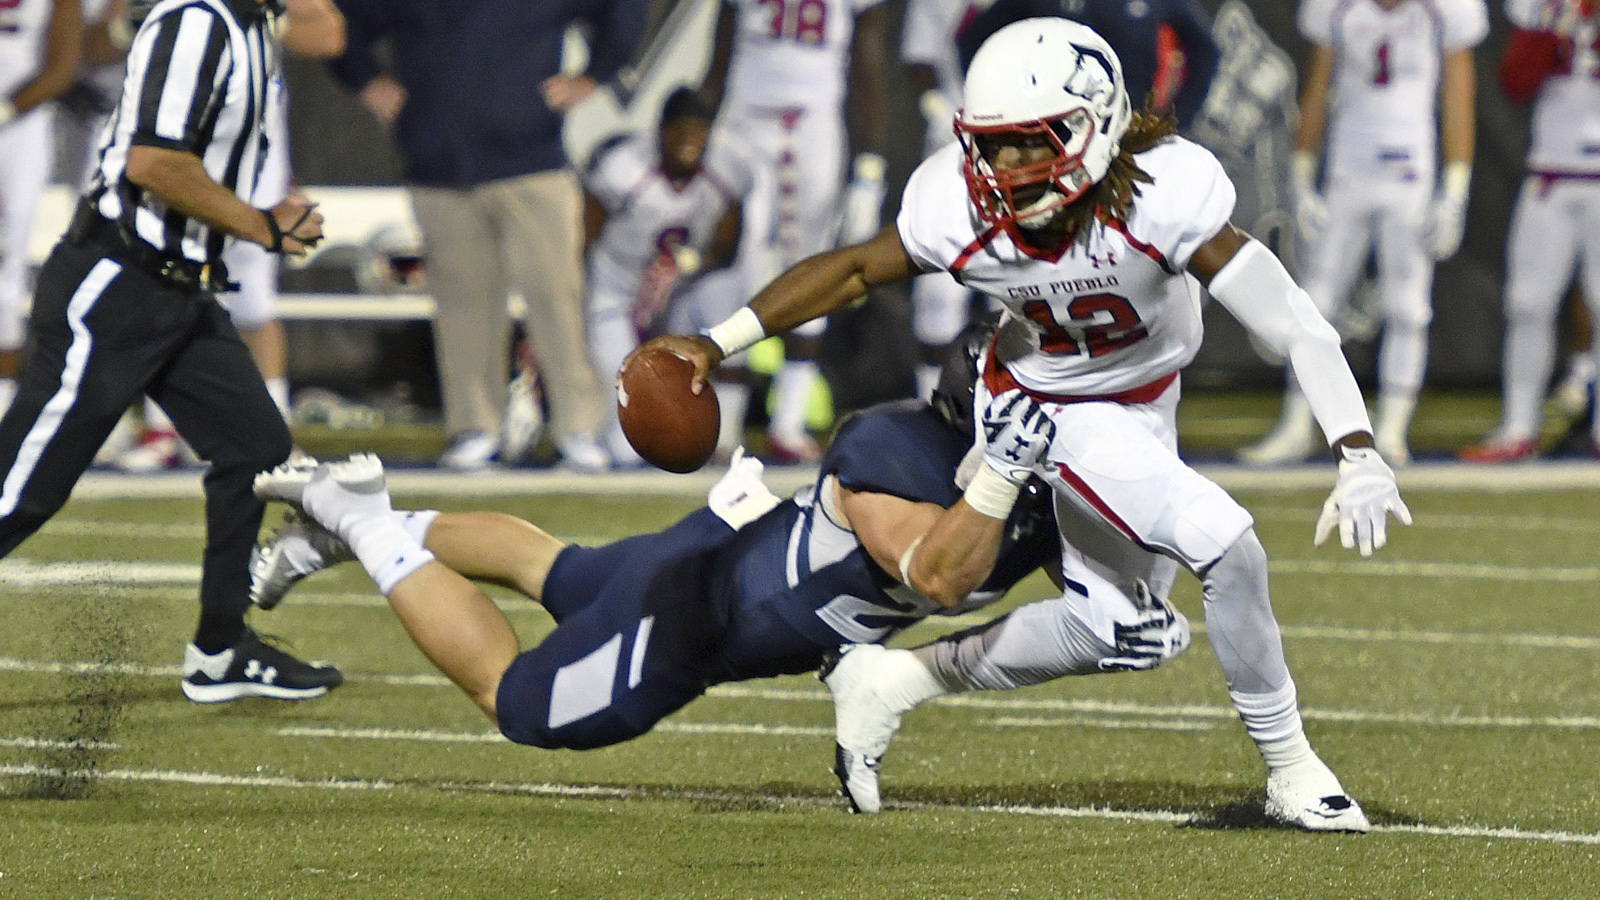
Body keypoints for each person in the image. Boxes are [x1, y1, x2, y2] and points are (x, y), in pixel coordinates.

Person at [637, 18, 1413, 831]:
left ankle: (890, 681)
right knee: (1228, 544)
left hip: (1142, 401)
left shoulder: (1165, 194)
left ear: (1095, 124)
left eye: (1029, 144)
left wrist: (1356, 447)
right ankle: (1293, 771)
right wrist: (715, 341)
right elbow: (858, 267)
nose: (1005, 170)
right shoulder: (959, 206)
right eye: (994, 147)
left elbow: (1295, 321)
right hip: (1047, 404)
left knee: (1126, 630)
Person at [248, 347, 1193, 777]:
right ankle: (358, 517)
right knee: (524, 706)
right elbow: (938, 576)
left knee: (566, 574)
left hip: (726, 553)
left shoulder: (1028, 493)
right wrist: (1002, 480)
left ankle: (334, 528)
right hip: (694, 617)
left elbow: (1107, 569)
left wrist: (1131, 606)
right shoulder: (899, 456)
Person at [0, 0, 342, 703]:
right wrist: (262, 226)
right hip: (119, 280)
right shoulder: (196, 19)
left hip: (180, 288)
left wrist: (259, 208)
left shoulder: (251, 22)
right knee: (21, 491)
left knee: (255, 450)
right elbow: (154, 161)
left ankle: (221, 649)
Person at [327, 0, 646, 471]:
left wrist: (593, 76)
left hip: (530, 162)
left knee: (556, 298)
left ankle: (578, 428)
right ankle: (476, 427)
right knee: (462, 305)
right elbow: (336, 22)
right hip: (438, 165)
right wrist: (365, 80)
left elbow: (622, 10)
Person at [1240, 0, 1488, 466]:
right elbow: (1317, 86)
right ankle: (1297, 422)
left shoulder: (1444, 10)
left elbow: (1458, 95)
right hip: (1348, 169)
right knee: (1315, 302)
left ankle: (1393, 430)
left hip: (1411, 171)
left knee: (1409, 306)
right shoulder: (1337, 8)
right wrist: (1302, 174)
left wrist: (1455, 189)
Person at [115, 0, 347, 471]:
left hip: (248, 152)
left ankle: (272, 426)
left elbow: (328, 33)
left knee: (253, 302)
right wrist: (130, 25)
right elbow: (105, 40)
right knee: (162, 288)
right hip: (172, 141)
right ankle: (166, 426)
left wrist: (259, 15)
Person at [700, 0, 891, 462]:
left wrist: (870, 168)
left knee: (812, 267)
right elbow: (718, 62)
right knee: (735, 269)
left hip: (813, 122)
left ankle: (789, 421)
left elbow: (868, 67)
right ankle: (724, 427)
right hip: (744, 123)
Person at [581, 87, 754, 466]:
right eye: (681, 130)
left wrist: (689, 264)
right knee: (627, 447)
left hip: (680, 290)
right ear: (660, 131)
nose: (690, 141)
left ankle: (724, 435)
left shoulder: (728, 165)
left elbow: (727, 248)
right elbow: (584, 236)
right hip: (617, 293)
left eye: (699, 131)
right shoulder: (624, 169)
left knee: (727, 293)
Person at [1460, 0, 1600, 462]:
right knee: (1526, 303)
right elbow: (1514, 81)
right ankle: (1519, 427)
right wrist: (1556, 27)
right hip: (1551, 174)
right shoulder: (1545, 7)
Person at [0, 0, 84, 416]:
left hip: (18, 123)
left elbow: (61, 66)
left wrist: (6, 111)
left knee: (5, 270)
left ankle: (3, 402)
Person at [957, 0, 1221, 131]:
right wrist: (998, 104)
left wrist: (1175, 118)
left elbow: (1206, 52)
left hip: (1128, 131)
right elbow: (974, 37)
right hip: (1055, 133)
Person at [901, 0, 986, 400]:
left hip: (1026, 145)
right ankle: (932, 405)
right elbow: (919, 59)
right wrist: (938, 107)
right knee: (938, 286)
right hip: (954, 149)